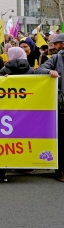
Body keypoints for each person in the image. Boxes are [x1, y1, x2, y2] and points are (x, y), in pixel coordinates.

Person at [37, 33, 64, 182]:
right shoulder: (56, 58)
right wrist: (49, 72)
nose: (53, 46)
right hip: (61, 105)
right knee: (61, 141)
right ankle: (60, 171)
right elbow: (40, 70)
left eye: (56, 43)